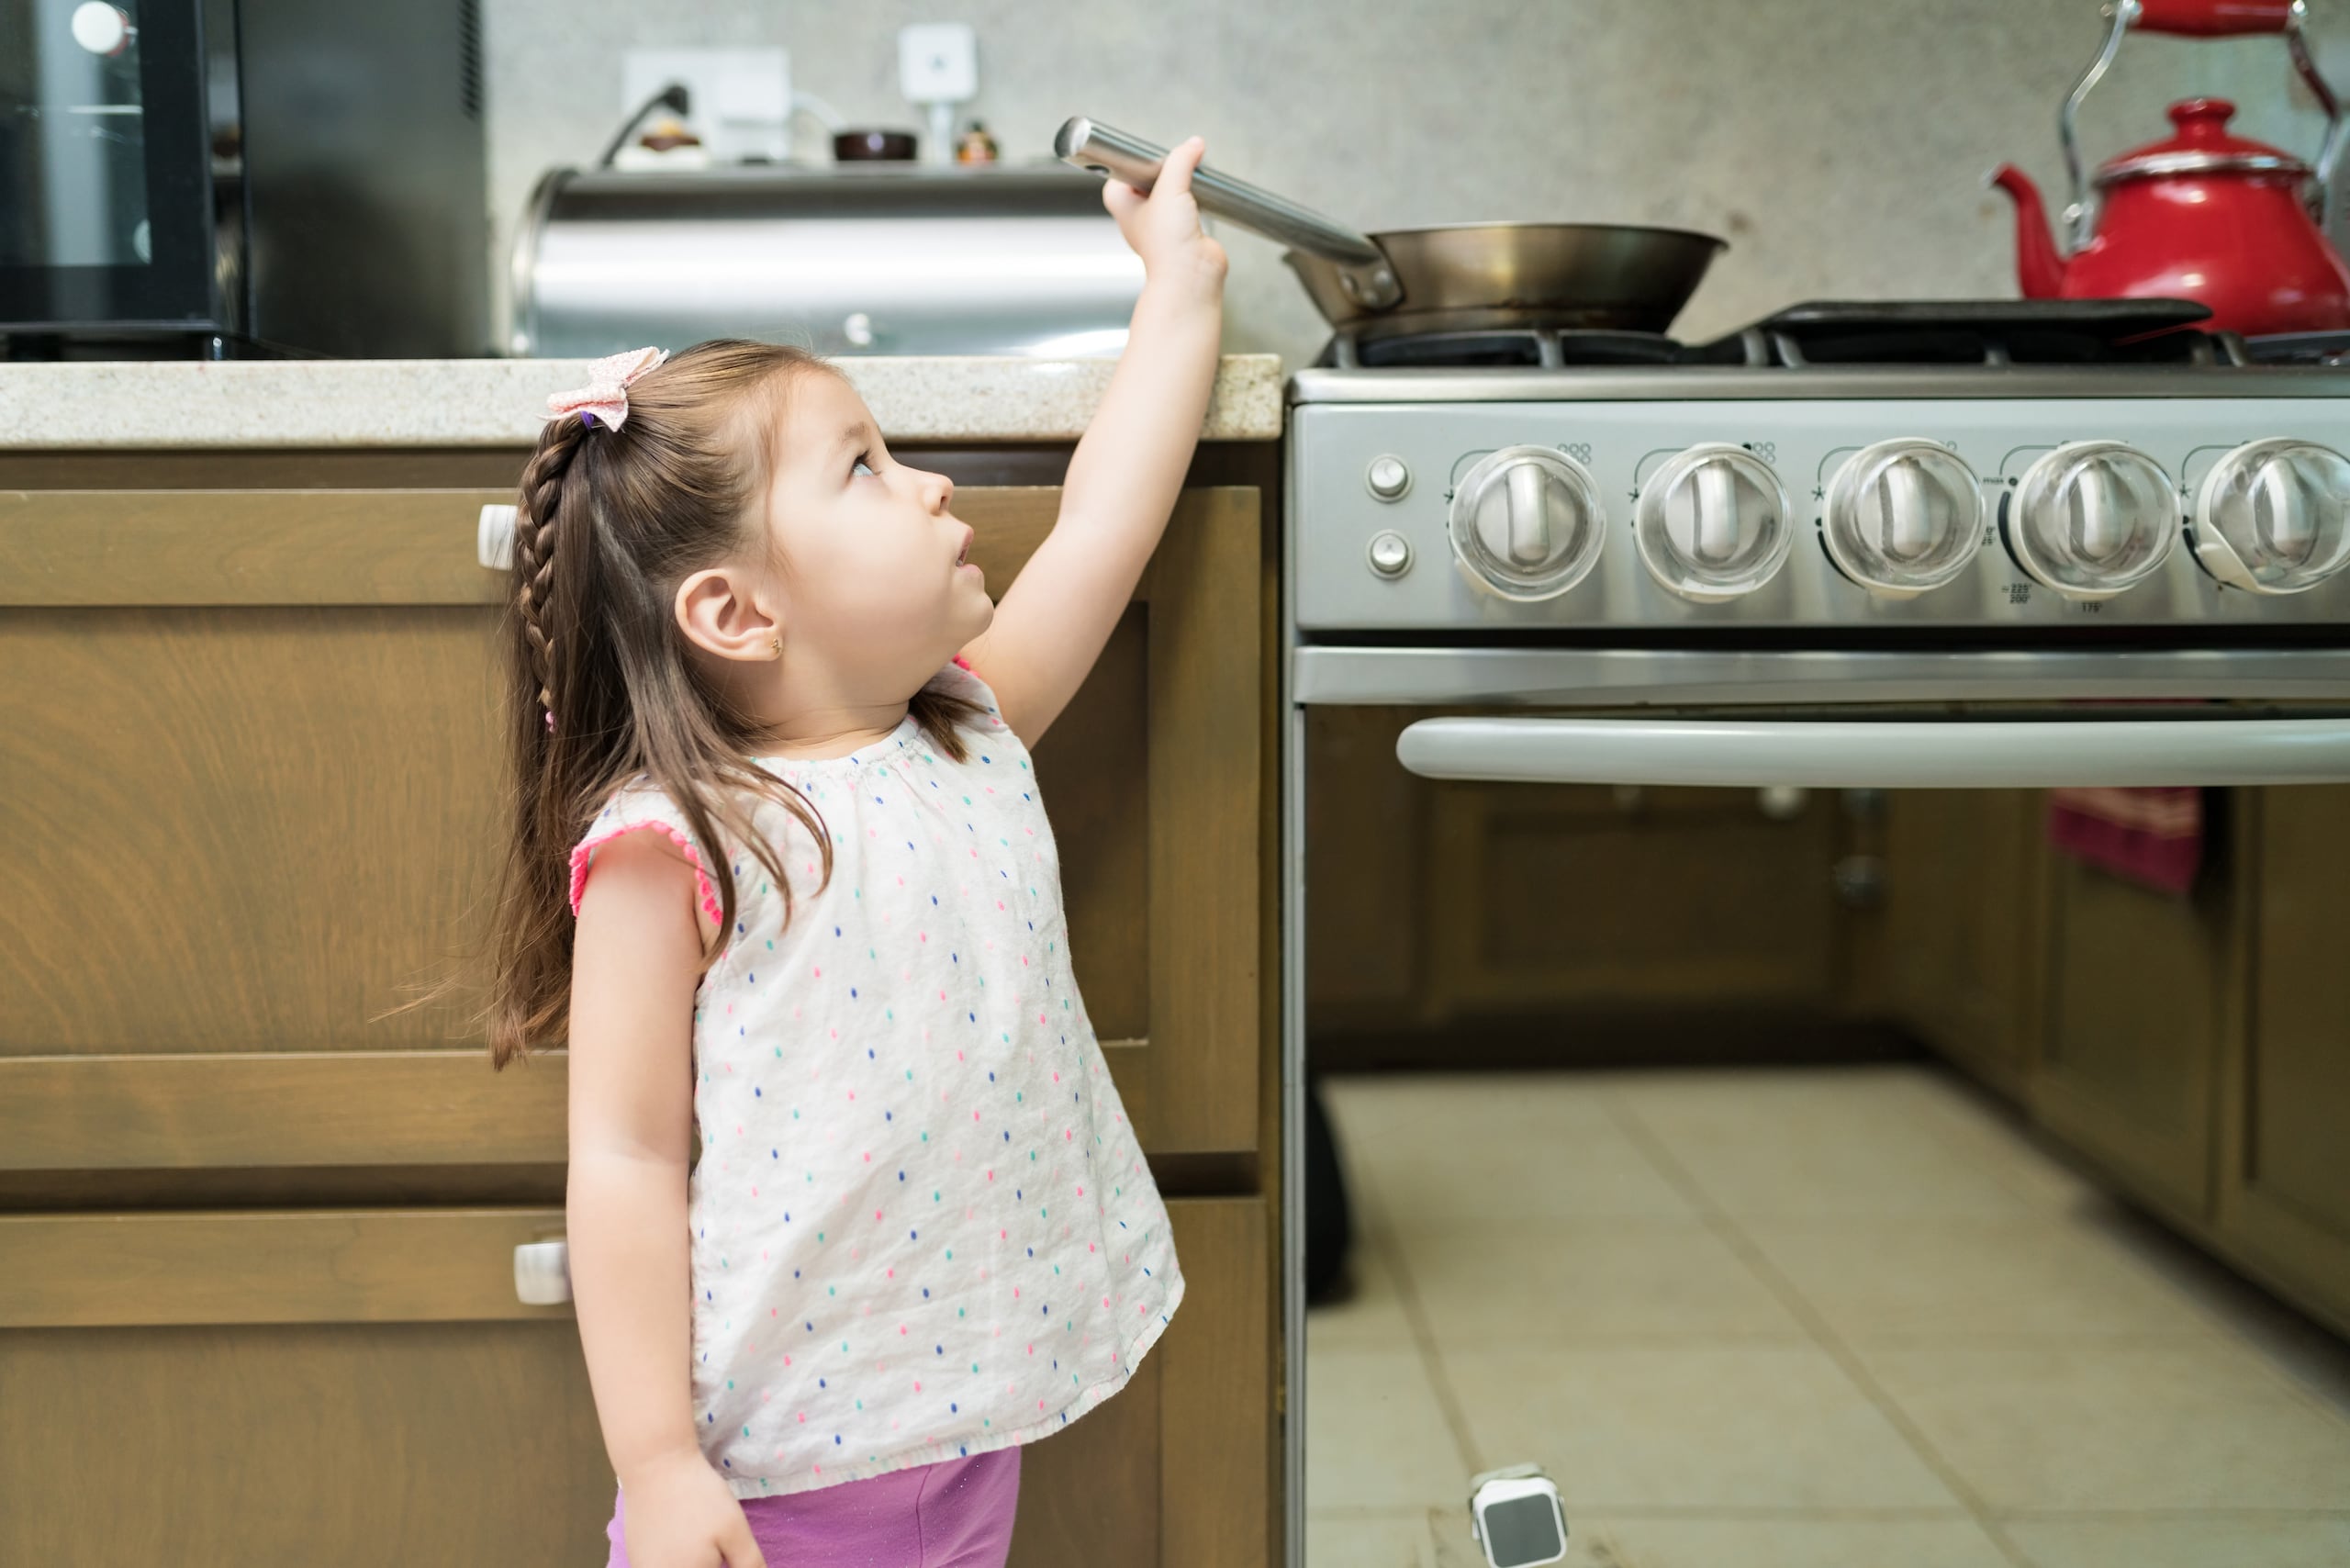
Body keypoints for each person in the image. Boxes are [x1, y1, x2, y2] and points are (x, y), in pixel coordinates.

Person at [478, 138, 1227, 1568]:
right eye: (868, 469)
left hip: (960, 1428)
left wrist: (1178, 291)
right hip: (772, 1482)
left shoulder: (964, 725)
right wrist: (659, 1459)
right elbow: (625, 1159)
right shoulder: (674, 841)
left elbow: (1104, 532)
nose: (933, 484)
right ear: (739, 615)